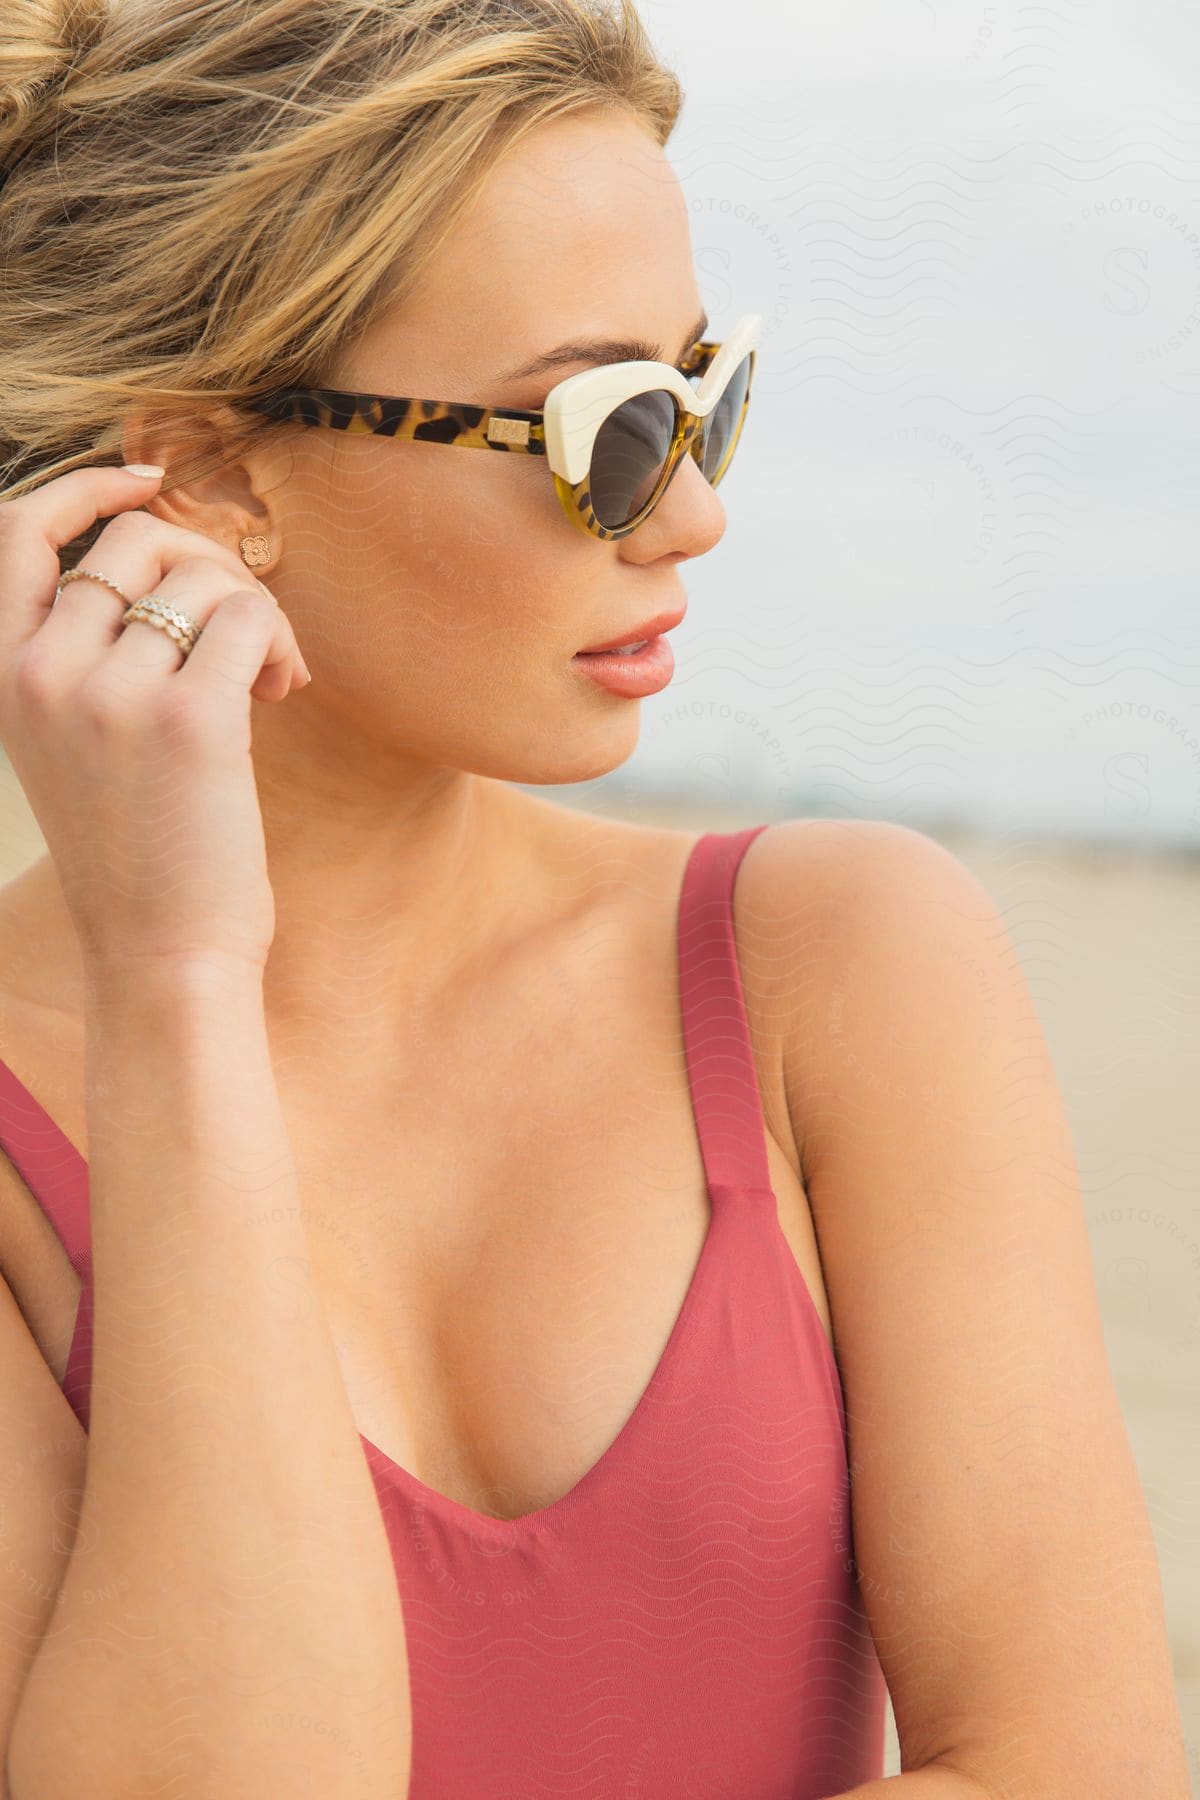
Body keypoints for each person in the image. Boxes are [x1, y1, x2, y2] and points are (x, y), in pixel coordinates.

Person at [0, 2, 1188, 1798]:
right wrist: (177, 982)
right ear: (218, 472)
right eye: (609, 424)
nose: (692, 515)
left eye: (710, 396)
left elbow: (1073, 1761)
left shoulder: (834, 960)